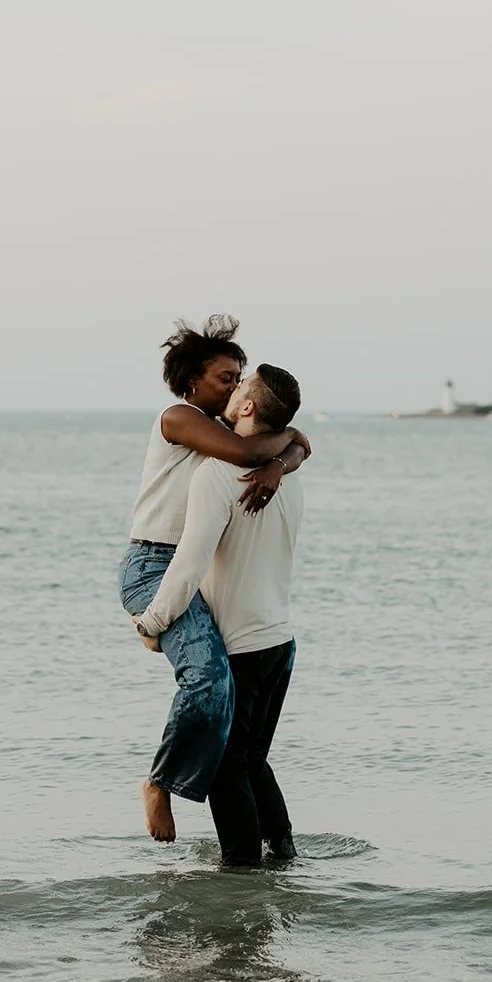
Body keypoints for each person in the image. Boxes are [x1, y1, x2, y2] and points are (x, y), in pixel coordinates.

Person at [119, 318, 310, 844]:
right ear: (193, 380)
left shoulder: (230, 434)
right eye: (226, 376)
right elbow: (264, 449)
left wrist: (283, 459)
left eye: (240, 377)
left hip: (185, 567)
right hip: (153, 564)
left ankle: (261, 865)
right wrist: (283, 448)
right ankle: (159, 783)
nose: (234, 383)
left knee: (226, 706)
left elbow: (293, 447)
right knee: (210, 681)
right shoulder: (178, 417)